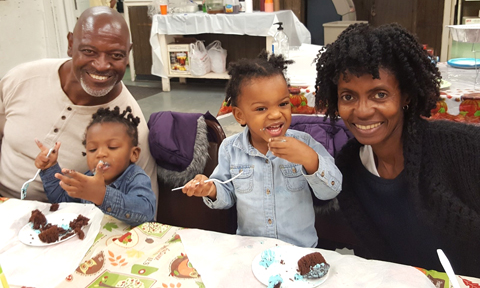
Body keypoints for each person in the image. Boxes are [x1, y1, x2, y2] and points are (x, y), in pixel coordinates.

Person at [315, 23, 480, 276]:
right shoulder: (349, 167)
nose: (362, 110)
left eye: (379, 94)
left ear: (406, 96)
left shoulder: (461, 148)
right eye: (348, 96)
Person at [182, 51, 342, 248]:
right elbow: (227, 195)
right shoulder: (230, 150)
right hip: (251, 252)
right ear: (240, 116)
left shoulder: (305, 144)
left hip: (299, 252)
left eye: (283, 104)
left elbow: (332, 190)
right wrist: (211, 189)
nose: (276, 114)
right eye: (261, 109)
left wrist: (310, 160)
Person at [0, 7, 158, 206]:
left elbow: (145, 206)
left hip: (61, 222)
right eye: (89, 51)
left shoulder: (129, 125)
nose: (101, 65)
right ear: (70, 43)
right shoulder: (22, 79)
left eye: (116, 55)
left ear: (128, 54)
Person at [35, 106, 156, 226]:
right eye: (93, 149)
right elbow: (61, 202)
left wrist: (102, 196)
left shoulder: (136, 178)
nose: (100, 154)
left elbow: (146, 212)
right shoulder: (87, 178)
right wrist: (50, 168)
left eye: (112, 147)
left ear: (133, 154)